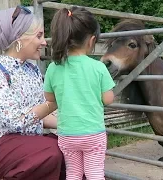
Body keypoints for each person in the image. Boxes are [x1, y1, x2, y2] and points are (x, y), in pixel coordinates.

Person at [0, 6, 66, 180]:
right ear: (19, 39)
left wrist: (73, 125)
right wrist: (53, 102)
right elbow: (15, 121)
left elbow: (38, 115)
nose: (44, 42)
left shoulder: (32, 71)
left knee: (68, 148)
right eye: (39, 36)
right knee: (49, 152)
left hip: (25, 144)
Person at [39, 6, 115, 180]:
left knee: (73, 173)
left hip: (67, 134)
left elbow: (49, 98)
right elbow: (108, 99)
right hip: (93, 134)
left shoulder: (53, 68)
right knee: (94, 173)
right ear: (91, 40)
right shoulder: (98, 67)